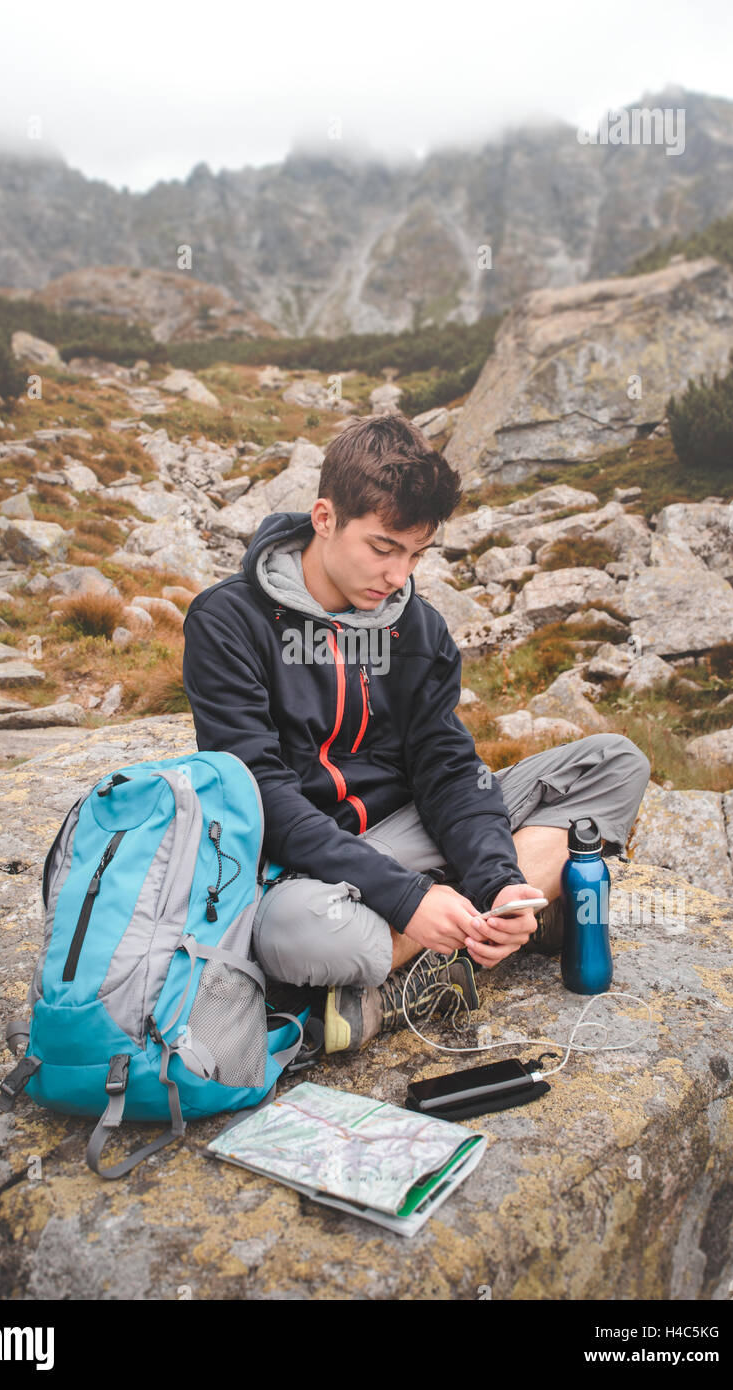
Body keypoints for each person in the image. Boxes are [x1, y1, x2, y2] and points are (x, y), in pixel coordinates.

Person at [182, 414, 651, 1054]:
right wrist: (405, 899)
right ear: (325, 518)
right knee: (298, 935)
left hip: (416, 831)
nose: (399, 574)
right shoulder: (227, 621)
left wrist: (494, 876)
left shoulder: (418, 628)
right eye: (383, 547)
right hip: (307, 868)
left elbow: (448, 770)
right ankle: (484, 925)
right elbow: (261, 794)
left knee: (615, 762)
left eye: (415, 553)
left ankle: (436, 948)